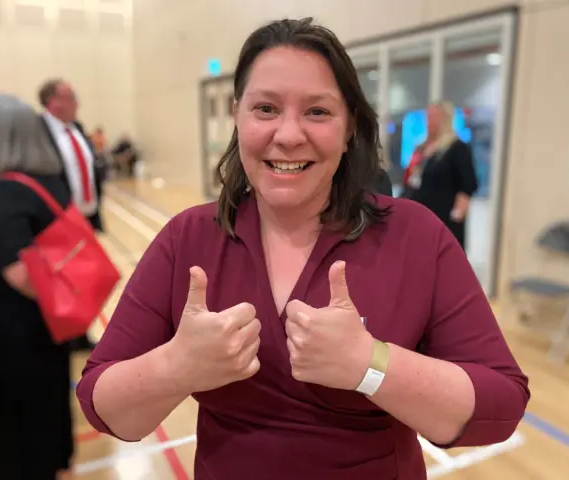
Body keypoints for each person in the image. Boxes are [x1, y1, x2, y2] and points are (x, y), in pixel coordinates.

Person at [77, 18, 530, 479]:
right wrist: (176, 366)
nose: (289, 134)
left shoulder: (415, 235)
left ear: (350, 124)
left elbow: (501, 403)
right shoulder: (187, 238)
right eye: (266, 108)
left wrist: (368, 364)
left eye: (317, 112)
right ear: (237, 115)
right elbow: (105, 406)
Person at [0, 94, 74, 480]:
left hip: (7, 345)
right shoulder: (45, 182)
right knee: (42, 423)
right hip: (41, 333)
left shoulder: (0, 192)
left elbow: (21, 274)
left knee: (11, 445)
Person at [38, 78, 102, 352]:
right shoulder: (39, 132)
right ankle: (64, 336)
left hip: (84, 216)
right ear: (54, 102)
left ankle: (80, 333)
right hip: (59, 219)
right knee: (62, 281)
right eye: (72, 97)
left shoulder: (76, 129)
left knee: (84, 278)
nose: (77, 103)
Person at [401, 101, 478, 250]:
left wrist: (456, 217)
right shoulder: (421, 148)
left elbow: (467, 185)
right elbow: (412, 178)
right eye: (428, 116)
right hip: (417, 218)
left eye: (433, 116)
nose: (429, 120)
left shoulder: (457, 148)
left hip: (443, 220)